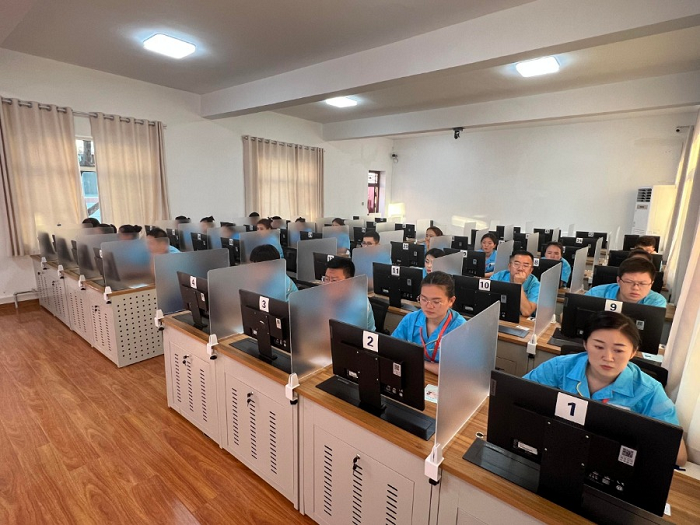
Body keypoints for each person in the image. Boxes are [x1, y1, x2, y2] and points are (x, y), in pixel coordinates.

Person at [524, 311, 687, 466]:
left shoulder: (649, 391)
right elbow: (519, 398)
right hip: (557, 449)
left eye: (618, 350)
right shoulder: (558, 367)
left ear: (633, 352)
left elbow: (678, 456)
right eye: (599, 347)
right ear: (585, 344)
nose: (608, 357)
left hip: (609, 461)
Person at [391, 271, 466, 375]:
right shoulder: (410, 319)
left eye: (436, 302)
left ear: (451, 301)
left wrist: (421, 363)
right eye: (424, 299)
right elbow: (392, 349)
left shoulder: (461, 329)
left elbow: (456, 371)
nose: (429, 306)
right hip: (413, 374)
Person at [586, 257, 666, 307]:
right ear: (618, 281)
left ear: (651, 284)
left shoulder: (656, 302)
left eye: (642, 283)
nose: (635, 288)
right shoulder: (596, 294)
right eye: (629, 282)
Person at [323, 257, 376, 332]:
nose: (328, 284)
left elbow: (344, 333)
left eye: (334, 280)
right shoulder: (325, 295)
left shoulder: (359, 303)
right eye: (326, 279)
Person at [490, 251, 540, 316]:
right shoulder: (498, 277)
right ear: (509, 266)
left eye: (525, 265)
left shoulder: (535, 285)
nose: (520, 269)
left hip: (521, 320)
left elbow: (526, 312)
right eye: (516, 264)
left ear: (531, 270)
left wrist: (518, 284)